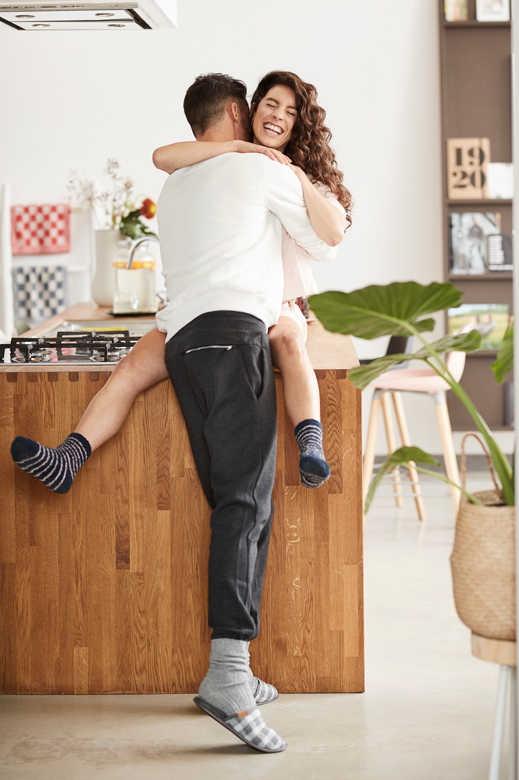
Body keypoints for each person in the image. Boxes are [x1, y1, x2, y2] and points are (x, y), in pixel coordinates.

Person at [11, 72, 339, 754]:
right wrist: (285, 166)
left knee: (237, 502)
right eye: (257, 109)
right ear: (235, 112)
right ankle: (227, 673)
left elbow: (170, 160)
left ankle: (238, 674)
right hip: (231, 335)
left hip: (186, 344)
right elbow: (330, 234)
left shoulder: (180, 185)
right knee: (244, 507)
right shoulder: (256, 172)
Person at [10, 70, 352, 494]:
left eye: (290, 111)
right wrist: (240, 146)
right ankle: (70, 455)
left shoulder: (281, 174)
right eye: (269, 105)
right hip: (220, 304)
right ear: (247, 110)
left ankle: (310, 443)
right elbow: (162, 156)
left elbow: (331, 240)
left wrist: (298, 176)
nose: (276, 116)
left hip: (275, 302)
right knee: (132, 366)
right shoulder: (224, 164)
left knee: (286, 342)